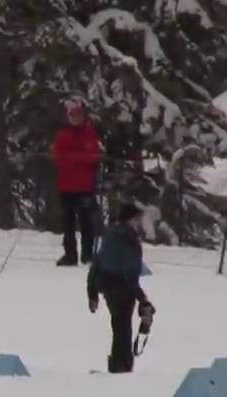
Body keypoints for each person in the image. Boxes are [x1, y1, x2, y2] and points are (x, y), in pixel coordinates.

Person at [87, 203, 154, 373]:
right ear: (131, 219)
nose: (141, 222)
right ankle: (121, 367)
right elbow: (130, 273)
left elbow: (97, 263)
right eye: (138, 219)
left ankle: (119, 364)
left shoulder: (110, 235)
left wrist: (92, 292)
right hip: (121, 288)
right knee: (122, 328)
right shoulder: (129, 239)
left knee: (119, 326)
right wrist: (142, 299)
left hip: (108, 286)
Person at [52, 98, 102, 266]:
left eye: (78, 114)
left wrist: (72, 157)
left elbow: (93, 157)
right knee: (68, 223)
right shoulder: (62, 135)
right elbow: (59, 159)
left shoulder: (90, 133)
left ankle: (87, 255)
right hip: (66, 186)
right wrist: (80, 157)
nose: (76, 118)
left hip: (85, 186)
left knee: (87, 222)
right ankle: (70, 255)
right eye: (72, 115)